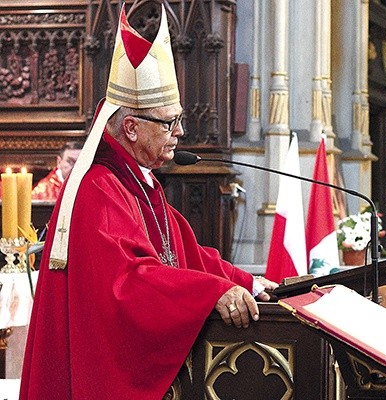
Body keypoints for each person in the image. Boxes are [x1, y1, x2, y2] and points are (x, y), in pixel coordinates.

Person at [20, 6, 277, 399]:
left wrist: (248, 282)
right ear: (131, 128)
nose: (180, 132)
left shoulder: (136, 183)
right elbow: (130, 287)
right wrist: (211, 293)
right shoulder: (99, 191)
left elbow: (185, 254)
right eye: (169, 122)